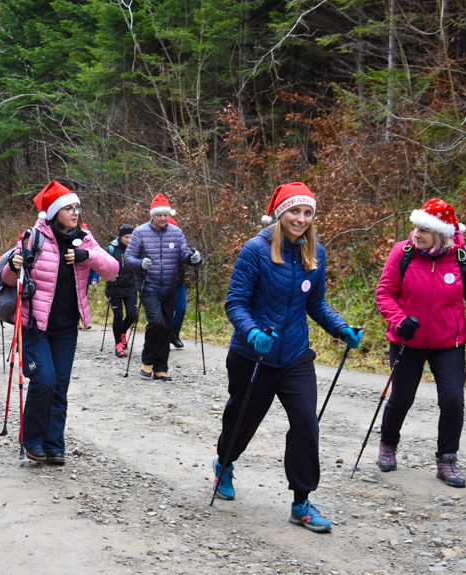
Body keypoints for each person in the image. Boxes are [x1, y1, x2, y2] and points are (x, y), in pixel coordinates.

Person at [212, 182, 362, 533]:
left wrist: (341, 329)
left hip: (294, 354)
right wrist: (252, 333)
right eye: (295, 211)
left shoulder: (315, 253)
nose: (301, 219)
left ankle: (301, 502)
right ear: (281, 214)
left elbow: (317, 303)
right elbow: (235, 302)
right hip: (253, 355)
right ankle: (225, 463)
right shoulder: (255, 250)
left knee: (306, 423)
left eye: (308, 213)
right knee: (242, 421)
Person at [2, 181, 118, 465]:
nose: (75, 212)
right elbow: (7, 278)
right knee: (44, 381)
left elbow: (113, 270)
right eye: (69, 208)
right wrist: (14, 266)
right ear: (55, 213)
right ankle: (31, 440)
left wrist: (86, 256)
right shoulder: (33, 238)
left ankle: (54, 445)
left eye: (77, 207)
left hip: (66, 328)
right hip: (34, 327)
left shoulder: (84, 238)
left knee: (60, 386)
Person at [375, 198, 466, 488]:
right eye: (416, 227)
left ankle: (447, 460)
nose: (416, 234)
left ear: (441, 234)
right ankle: (388, 443)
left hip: (448, 343)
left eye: (424, 230)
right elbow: (385, 292)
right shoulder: (403, 253)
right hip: (407, 340)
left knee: (452, 401)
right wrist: (399, 320)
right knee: (401, 397)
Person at [124, 194, 201, 381]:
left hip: (170, 287)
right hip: (148, 285)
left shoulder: (176, 232)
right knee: (156, 322)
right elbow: (128, 258)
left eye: (166, 215)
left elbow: (184, 254)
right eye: (160, 215)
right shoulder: (140, 232)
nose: (163, 218)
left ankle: (161, 367)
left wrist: (193, 258)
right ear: (153, 215)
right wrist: (141, 263)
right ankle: (147, 361)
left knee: (167, 327)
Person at [104, 223, 137, 357]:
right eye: (126, 237)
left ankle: (122, 332)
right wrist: (110, 277)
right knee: (118, 316)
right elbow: (103, 265)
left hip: (131, 287)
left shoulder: (136, 248)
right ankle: (119, 344)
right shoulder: (112, 249)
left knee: (132, 315)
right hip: (115, 287)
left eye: (131, 237)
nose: (129, 240)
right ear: (120, 236)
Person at [167, 215, 187, 349]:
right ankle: (163, 336)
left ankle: (174, 335)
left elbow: (186, 255)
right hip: (162, 283)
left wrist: (194, 257)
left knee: (181, 309)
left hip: (178, 281)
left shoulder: (180, 240)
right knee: (165, 312)